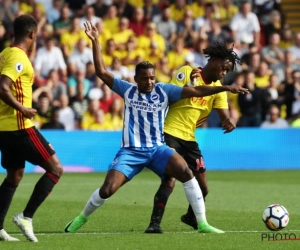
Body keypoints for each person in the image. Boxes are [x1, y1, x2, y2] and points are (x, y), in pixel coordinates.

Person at [63, 21, 248, 234]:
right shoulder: (127, 90)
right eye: (144, 79)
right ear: (135, 80)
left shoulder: (164, 91)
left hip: (158, 148)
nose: (149, 82)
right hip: (132, 151)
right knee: (108, 189)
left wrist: (225, 88)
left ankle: (202, 223)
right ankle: (81, 219)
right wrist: (96, 41)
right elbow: (101, 72)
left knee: (186, 173)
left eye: (152, 78)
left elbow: (196, 93)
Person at [144, 42, 243, 234]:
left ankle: (190, 217)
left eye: (227, 71)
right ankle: (154, 223)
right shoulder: (188, 71)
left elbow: (224, 116)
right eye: (223, 68)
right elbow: (167, 96)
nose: (224, 73)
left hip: (189, 139)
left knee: (203, 188)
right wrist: (189, 86)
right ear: (213, 61)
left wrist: (228, 122)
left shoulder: (218, 88)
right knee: (170, 178)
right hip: (169, 133)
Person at [0, 14, 63, 242]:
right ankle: (26, 217)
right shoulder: (18, 58)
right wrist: (23, 109)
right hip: (20, 126)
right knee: (56, 169)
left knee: (14, 176)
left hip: (4, 129)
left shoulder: (5, 54)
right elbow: (3, 87)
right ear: (32, 35)